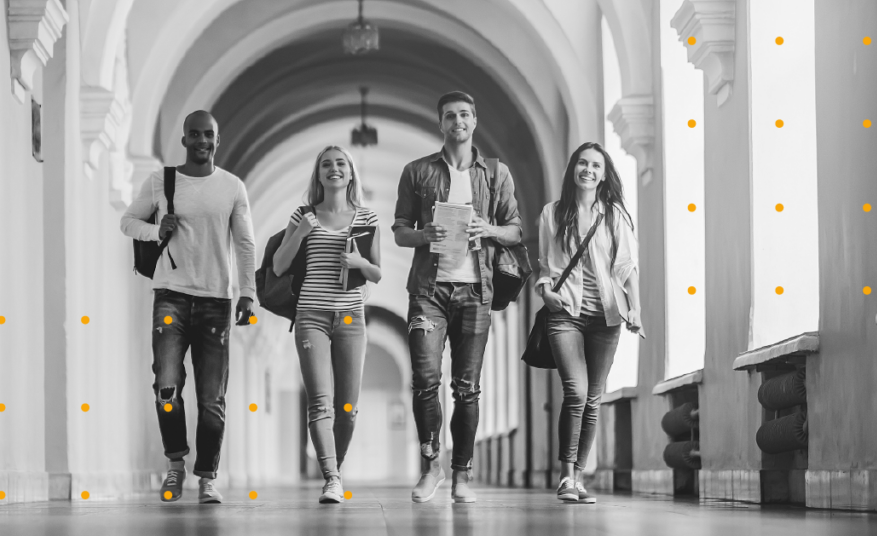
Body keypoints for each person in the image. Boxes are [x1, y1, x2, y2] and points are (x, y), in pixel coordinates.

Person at [120, 110, 257, 504]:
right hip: (171, 297)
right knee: (167, 385)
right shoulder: (162, 181)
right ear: (184, 140)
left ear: (218, 139)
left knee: (212, 397)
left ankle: (208, 476)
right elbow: (128, 221)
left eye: (208, 134)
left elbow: (245, 244)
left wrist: (248, 292)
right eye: (194, 134)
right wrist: (154, 229)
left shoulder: (232, 186)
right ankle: (175, 465)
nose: (202, 140)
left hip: (216, 300)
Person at [392, 91, 523, 504]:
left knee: (467, 388)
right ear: (441, 124)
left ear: (474, 121)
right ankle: (431, 466)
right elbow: (398, 230)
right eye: (450, 116)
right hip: (428, 291)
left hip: (476, 290)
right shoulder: (417, 172)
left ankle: (461, 475)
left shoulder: (496, 174)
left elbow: (516, 230)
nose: (458, 121)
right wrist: (423, 235)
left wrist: (490, 230)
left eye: (465, 114)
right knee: (425, 382)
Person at [272, 145, 382, 504]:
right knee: (321, 403)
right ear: (318, 175)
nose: (334, 169)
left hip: (351, 318)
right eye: (326, 165)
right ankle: (332, 477)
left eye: (340, 164)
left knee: (347, 409)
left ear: (351, 173)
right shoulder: (303, 215)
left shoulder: (368, 218)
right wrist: (301, 233)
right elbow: (278, 266)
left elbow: (377, 273)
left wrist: (358, 262)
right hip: (311, 317)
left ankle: (337, 464)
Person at [535, 142, 642, 504]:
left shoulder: (614, 215)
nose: (589, 170)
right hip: (564, 312)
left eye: (596, 165)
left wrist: (636, 309)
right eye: (583, 163)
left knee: (593, 399)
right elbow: (545, 264)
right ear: (573, 169)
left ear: (603, 172)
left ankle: (579, 478)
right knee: (576, 392)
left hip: (606, 317)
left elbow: (627, 267)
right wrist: (545, 292)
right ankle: (566, 476)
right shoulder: (552, 212)